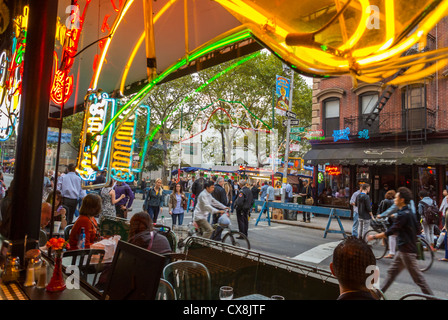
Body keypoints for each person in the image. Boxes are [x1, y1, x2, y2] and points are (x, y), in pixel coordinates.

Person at [367, 187, 433, 296]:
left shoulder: (402, 215)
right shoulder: (409, 212)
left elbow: (391, 231)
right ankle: (378, 295)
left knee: (419, 280)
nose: (394, 200)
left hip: (407, 252)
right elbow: (417, 229)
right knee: (391, 273)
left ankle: (432, 298)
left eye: (396, 197)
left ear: (402, 199)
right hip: (403, 250)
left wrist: (374, 236)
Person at [376, 190, 397, 259]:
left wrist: (381, 215)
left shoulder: (385, 201)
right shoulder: (395, 201)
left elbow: (383, 210)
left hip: (387, 219)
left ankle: (387, 245)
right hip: (394, 219)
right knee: (392, 234)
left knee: (388, 232)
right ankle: (392, 247)